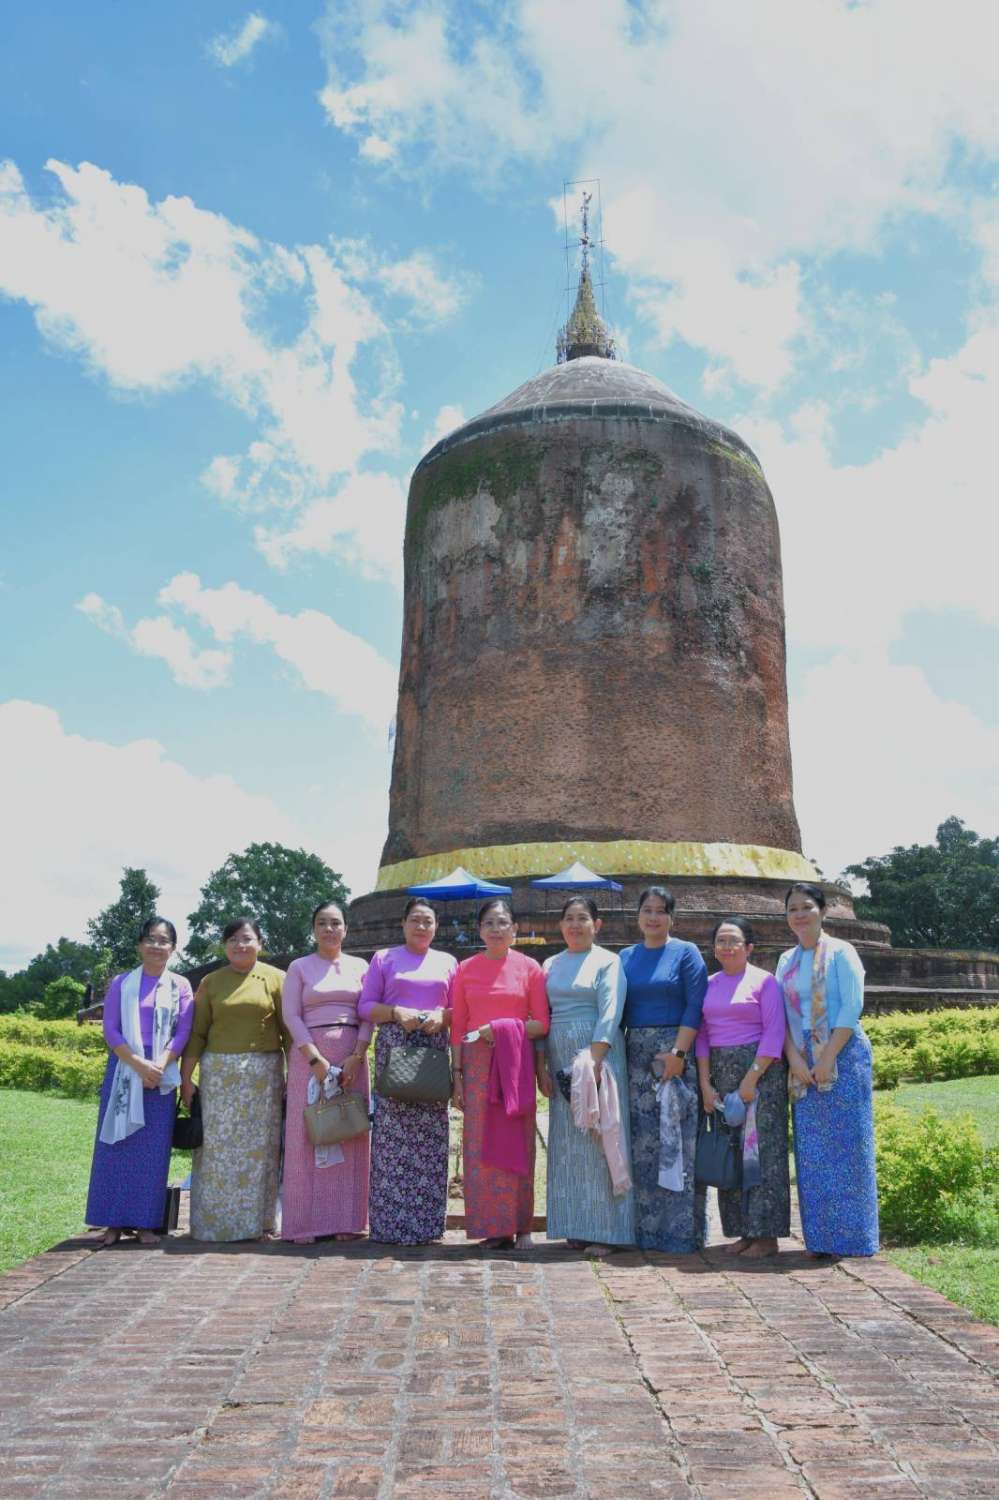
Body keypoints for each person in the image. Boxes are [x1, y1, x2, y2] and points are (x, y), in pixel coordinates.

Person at [776, 882, 879, 1258]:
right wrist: (795, 1058)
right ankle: (820, 1239)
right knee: (812, 1151)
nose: (799, 915)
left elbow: (852, 1006)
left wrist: (828, 1057)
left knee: (849, 1147)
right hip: (802, 1057)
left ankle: (853, 1238)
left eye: (806, 907)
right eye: (792, 909)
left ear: (822, 910)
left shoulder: (841, 952)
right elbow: (780, 1015)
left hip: (842, 1051)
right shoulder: (786, 961)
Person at [86, 917, 194, 1247]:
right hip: (124, 1068)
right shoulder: (122, 983)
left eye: (164, 940)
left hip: (161, 1074)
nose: (156, 946)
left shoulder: (180, 986)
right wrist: (138, 1064)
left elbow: (183, 1031)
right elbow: (111, 1029)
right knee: (116, 1146)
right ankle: (113, 1223)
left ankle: (146, 1222)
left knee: (152, 1152)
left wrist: (158, 1065)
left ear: (173, 948)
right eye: (150, 939)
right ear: (139, 945)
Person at [537, 897, 634, 1255]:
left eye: (583, 918)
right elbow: (542, 1015)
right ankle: (576, 1224)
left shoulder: (608, 961)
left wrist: (595, 1057)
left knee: (600, 1133)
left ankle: (608, 1230)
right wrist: (541, 1064)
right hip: (560, 1053)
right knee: (569, 1140)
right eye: (569, 919)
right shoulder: (550, 963)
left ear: (597, 925)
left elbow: (611, 1011)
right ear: (560, 925)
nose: (575, 925)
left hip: (597, 1054)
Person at [181, 917, 287, 1242]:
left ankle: (258, 1223)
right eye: (233, 940)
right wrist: (186, 1078)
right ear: (224, 946)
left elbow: (289, 1032)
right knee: (216, 1150)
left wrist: (295, 1076)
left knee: (261, 1150)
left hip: (263, 1078)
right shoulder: (211, 982)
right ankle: (214, 1224)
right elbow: (197, 1033)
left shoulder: (277, 979)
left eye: (246, 938)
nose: (240, 945)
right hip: (219, 1077)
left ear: (260, 943)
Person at [451, 898, 549, 1249]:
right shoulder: (465, 969)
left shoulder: (529, 968)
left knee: (517, 1143)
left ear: (515, 929)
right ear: (480, 930)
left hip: (514, 1064)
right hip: (476, 1065)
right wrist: (457, 1074)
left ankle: (521, 1225)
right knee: (480, 1145)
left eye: (503, 922)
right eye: (489, 923)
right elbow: (458, 1027)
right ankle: (493, 1227)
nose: (496, 929)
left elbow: (541, 1024)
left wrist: (501, 1027)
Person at [358, 898, 456, 1245]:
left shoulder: (448, 962)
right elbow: (365, 1006)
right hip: (395, 1046)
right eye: (415, 920)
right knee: (391, 1139)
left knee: (432, 1136)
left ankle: (427, 1225)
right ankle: (389, 1224)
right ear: (402, 924)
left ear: (436, 927)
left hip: (433, 1050)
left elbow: (459, 1009)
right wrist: (395, 1012)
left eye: (428, 921)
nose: (421, 927)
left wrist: (442, 1016)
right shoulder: (384, 958)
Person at [620, 886, 708, 1253]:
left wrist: (678, 1053)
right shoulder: (625, 957)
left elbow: (695, 1005)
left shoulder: (686, 953)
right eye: (647, 910)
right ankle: (644, 1231)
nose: (653, 917)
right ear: (638, 916)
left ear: (672, 917)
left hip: (674, 1054)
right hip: (635, 1058)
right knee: (643, 1144)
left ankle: (681, 1232)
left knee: (678, 1140)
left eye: (661, 911)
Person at [696, 917, 789, 1259]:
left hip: (761, 1074)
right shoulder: (708, 984)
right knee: (731, 1152)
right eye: (721, 941)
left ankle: (766, 1234)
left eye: (734, 940)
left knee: (763, 1151)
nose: (727, 947)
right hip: (721, 1073)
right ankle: (743, 1230)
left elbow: (774, 1032)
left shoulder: (765, 982)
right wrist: (705, 1084)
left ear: (749, 947)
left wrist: (751, 1079)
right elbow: (702, 1036)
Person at [281, 901, 371, 1244]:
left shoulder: (361, 966)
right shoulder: (299, 967)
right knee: (307, 1135)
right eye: (322, 923)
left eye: (335, 923)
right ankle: (304, 1224)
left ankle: (347, 1220)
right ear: (313, 929)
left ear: (346, 929)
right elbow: (291, 1015)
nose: (329, 929)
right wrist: (314, 1058)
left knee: (349, 1131)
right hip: (309, 1057)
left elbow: (367, 1014)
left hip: (351, 1060)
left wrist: (357, 1055)